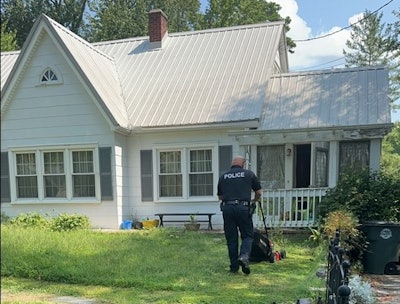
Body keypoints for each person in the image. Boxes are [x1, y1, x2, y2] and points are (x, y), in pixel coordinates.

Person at [217, 155, 262, 274]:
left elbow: (220, 196)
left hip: (227, 208)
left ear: (232, 164)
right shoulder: (249, 174)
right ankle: (244, 257)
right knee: (247, 235)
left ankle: (234, 267)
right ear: (243, 164)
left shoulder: (223, 176)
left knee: (231, 238)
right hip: (243, 208)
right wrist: (254, 200)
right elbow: (258, 192)